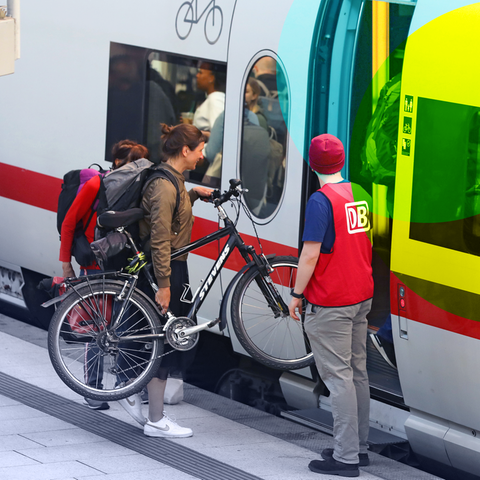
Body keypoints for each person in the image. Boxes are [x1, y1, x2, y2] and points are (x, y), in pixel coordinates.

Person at [288, 134, 374, 478]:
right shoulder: (361, 195)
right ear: (341, 161)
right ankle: (360, 448)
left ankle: (346, 458)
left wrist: (296, 294)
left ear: (312, 165)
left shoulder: (320, 201)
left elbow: (310, 254)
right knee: (358, 373)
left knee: (339, 379)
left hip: (332, 301)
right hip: (361, 297)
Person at [120, 123, 212, 437]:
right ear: (185, 150)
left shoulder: (173, 180)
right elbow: (160, 237)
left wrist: (194, 195)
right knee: (165, 341)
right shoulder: (165, 184)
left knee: (168, 340)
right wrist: (164, 284)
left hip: (171, 267)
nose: (203, 155)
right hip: (166, 267)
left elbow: (169, 215)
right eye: (200, 149)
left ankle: (141, 399)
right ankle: (154, 418)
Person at [59, 140, 150, 410]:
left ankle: (128, 381)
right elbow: (69, 222)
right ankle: (93, 388)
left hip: (121, 261)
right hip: (95, 262)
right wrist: (66, 264)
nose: (139, 168)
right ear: (121, 162)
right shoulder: (96, 184)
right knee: (98, 324)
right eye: (135, 162)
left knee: (123, 322)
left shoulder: (137, 186)